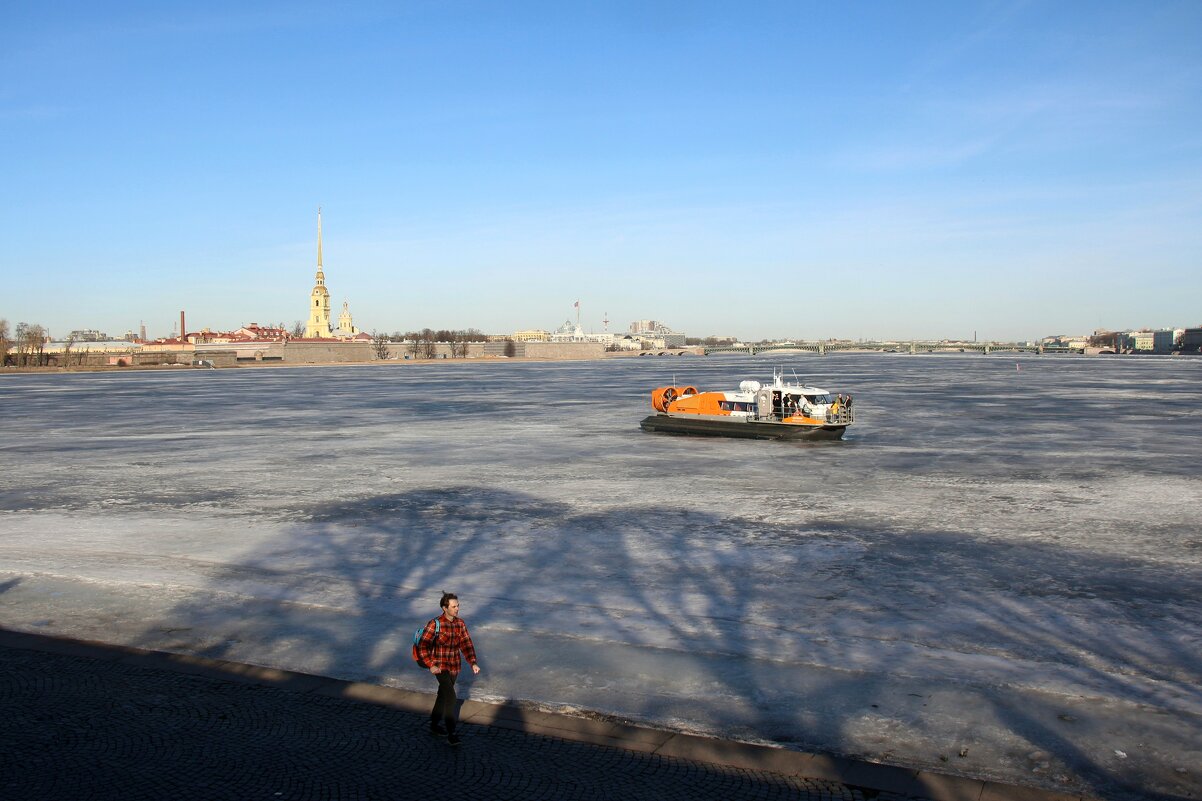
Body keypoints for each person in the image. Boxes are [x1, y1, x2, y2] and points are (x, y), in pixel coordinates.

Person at [417, 591, 480, 746]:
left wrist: (472, 662)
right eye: (454, 606)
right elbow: (422, 646)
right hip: (439, 666)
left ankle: (434, 724)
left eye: (458, 606)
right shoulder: (435, 624)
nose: (457, 609)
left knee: (443, 694)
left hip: (454, 666)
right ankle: (452, 733)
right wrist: (431, 665)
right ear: (445, 608)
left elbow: (466, 644)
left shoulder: (460, 624)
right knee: (451, 696)